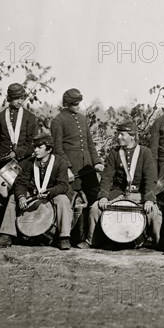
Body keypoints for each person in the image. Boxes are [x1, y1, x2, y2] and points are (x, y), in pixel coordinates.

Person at [79, 120, 162, 249]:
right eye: (118, 134)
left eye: (122, 134)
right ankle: (91, 240)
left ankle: (156, 243)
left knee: (154, 213)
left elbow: (150, 178)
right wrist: (104, 196)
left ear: (132, 136)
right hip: (119, 192)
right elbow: (106, 177)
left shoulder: (145, 152)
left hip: (138, 193)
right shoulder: (114, 153)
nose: (118, 137)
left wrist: (149, 200)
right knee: (95, 208)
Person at [0, 133, 74, 250]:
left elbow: (63, 185)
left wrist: (50, 192)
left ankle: (64, 237)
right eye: (34, 147)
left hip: (52, 193)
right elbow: (21, 183)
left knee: (63, 199)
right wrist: (22, 197)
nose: (35, 150)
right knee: (13, 198)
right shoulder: (30, 163)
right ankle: (6, 236)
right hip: (35, 192)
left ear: (49, 149)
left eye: (39, 147)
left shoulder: (60, 162)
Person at [50, 88, 104, 241]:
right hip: (71, 169)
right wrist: (66, 168)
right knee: (67, 201)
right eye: (74, 103)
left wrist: (97, 162)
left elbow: (90, 144)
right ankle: (63, 237)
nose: (78, 105)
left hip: (87, 167)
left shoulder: (82, 118)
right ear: (66, 104)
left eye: (79, 102)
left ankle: (97, 235)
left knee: (96, 197)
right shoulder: (57, 120)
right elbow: (57, 148)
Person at [0, 83, 38, 166]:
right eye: (16, 98)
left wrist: (16, 153)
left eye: (22, 98)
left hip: (23, 162)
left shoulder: (30, 117)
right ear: (9, 99)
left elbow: (32, 143)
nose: (20, 101)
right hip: (2, 163)